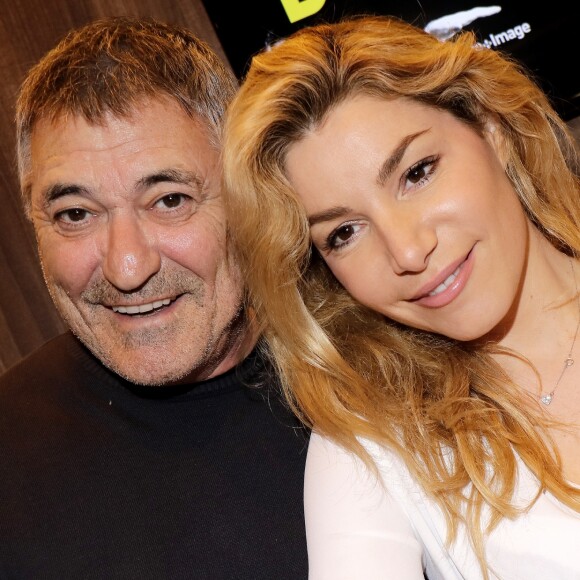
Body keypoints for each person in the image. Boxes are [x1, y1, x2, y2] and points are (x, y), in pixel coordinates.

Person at [221, 14, 580, 580]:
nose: (408, 251)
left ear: (491, 130)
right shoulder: (372, 443)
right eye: (344, 233)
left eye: (417, 172)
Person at [0, 17, 309, 579]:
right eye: (75, 214)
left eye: (170, 200)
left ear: (249, 191)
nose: (126, 266)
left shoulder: (378, 374)